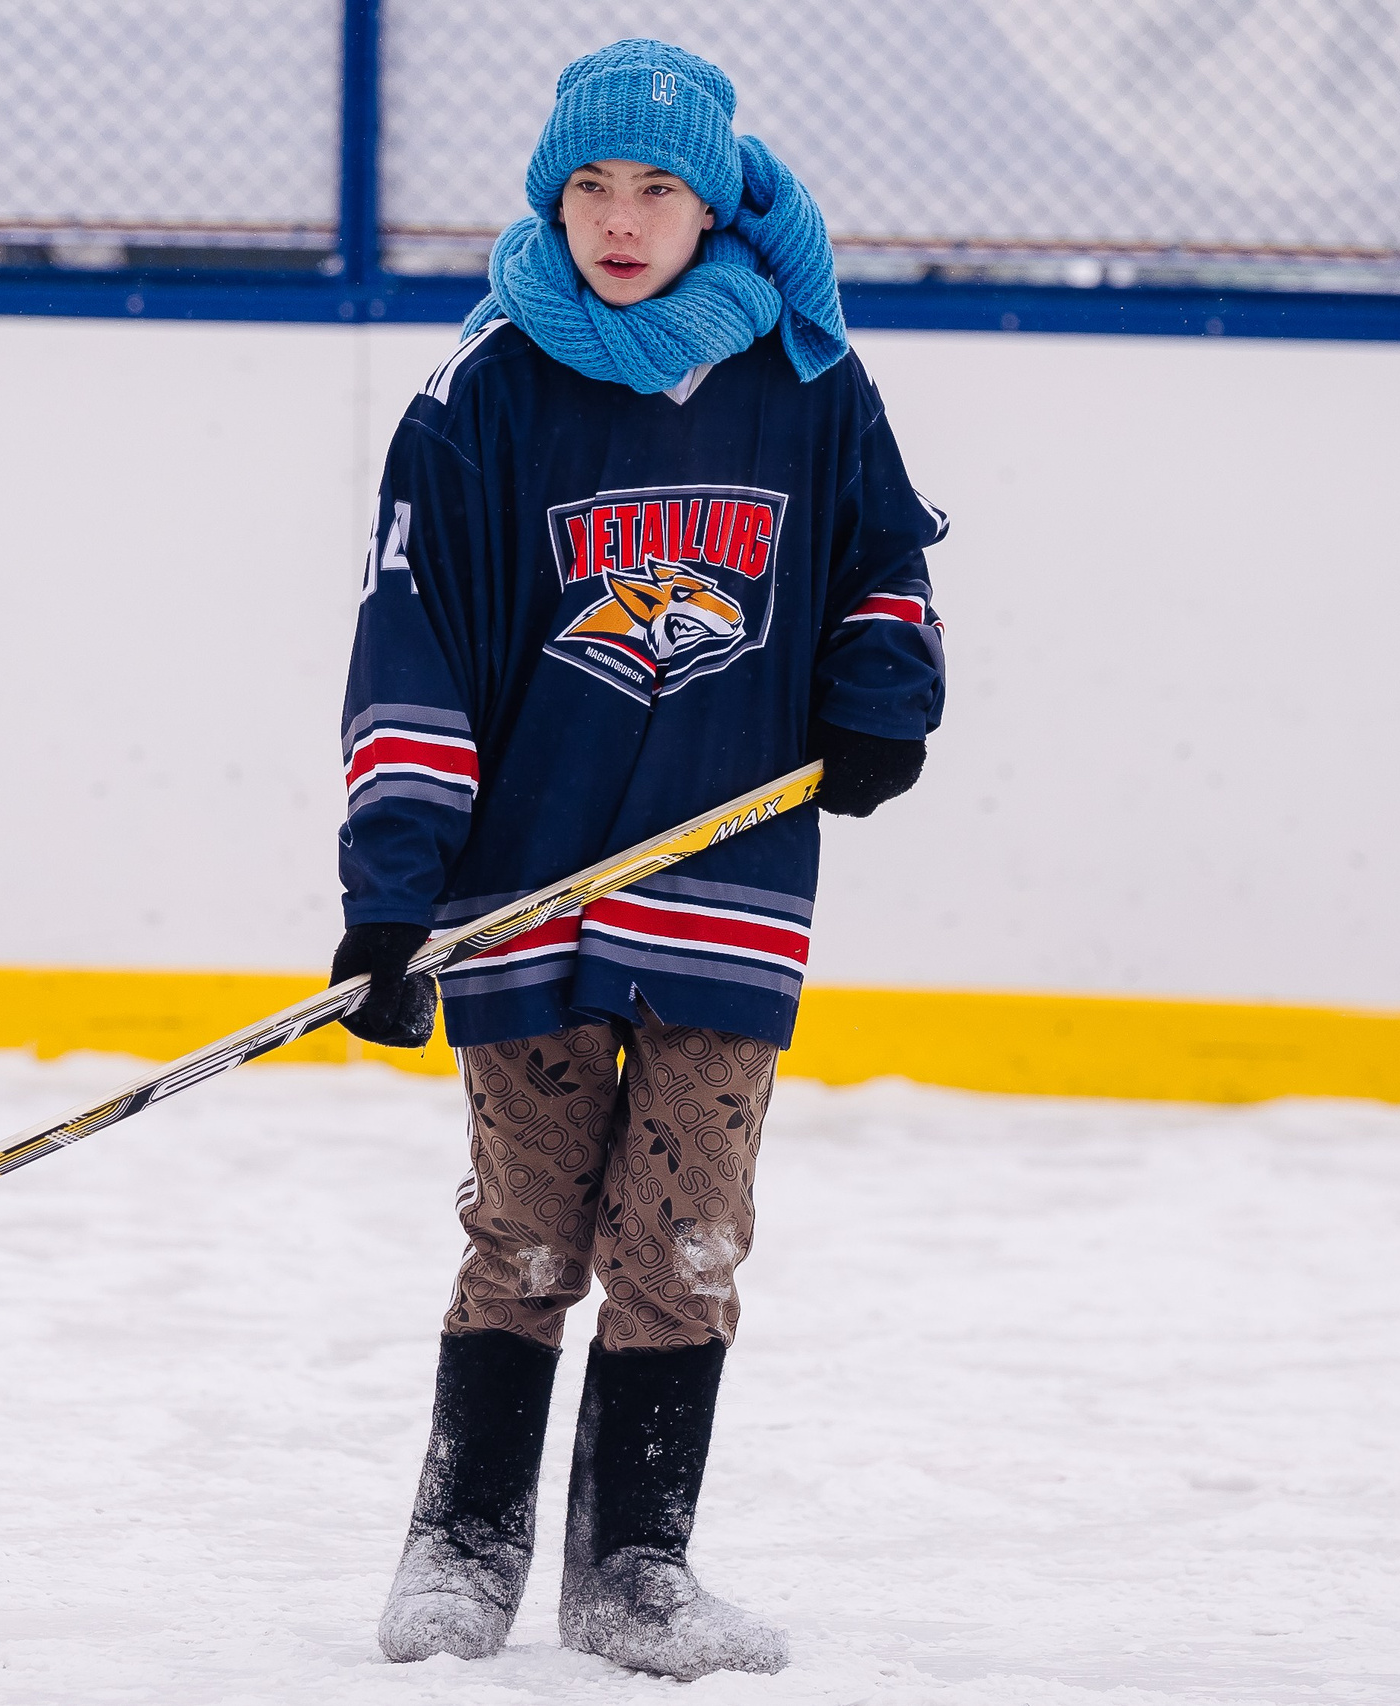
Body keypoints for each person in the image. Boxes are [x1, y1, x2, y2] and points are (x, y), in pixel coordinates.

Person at [330, 38, 947, 1682]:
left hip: (726, 878)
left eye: (657, 189)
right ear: (552, 199)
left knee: (686, 1238)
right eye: (590, 187)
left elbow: (886, 562)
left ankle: (635, 1569)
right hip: (523, 884)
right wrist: (392, 898)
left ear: (714, 203)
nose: (620, 220)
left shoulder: (809, 376)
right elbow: (410, 652)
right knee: (528, 1231)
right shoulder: (480, 396)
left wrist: (882, 694)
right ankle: (462, 1542)